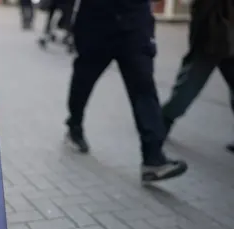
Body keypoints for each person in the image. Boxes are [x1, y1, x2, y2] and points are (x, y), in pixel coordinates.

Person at [65, 0, 188, 182]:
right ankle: (74, 125)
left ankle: (153, 158)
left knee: (144, 88)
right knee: (84, 80)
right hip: (97, 22)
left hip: (134, 25)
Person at [162, 0, 234, 154]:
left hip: (215, 29)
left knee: (191, 80)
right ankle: (163, 122)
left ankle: (163, 122)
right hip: (216, 28)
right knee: (191, 80)